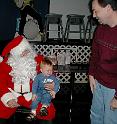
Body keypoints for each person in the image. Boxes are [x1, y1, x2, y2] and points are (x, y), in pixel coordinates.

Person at [0, 35, 56, 124]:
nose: (26, 54)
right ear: (15, 54)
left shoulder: (39, 61)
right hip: (12, 94)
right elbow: (1, 84)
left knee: (46, 111)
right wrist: (8, 99)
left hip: (32, 95)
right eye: (22, 52)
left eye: (27, 50)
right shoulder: (5, 64)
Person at [88, 0, 117, 124]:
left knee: (109, 121)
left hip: (113, 89)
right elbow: (95, 55)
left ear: (108, 8)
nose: (93, 15)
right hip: (98, 83)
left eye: (96, 11)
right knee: (95, 117)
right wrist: (91, 74)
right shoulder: (100, 29)